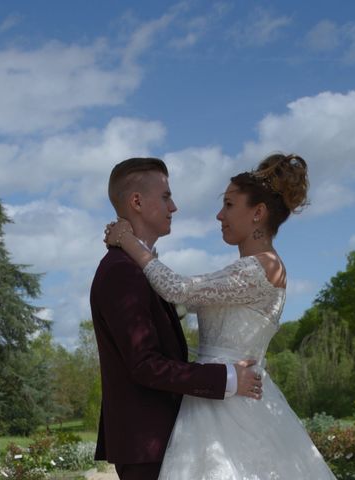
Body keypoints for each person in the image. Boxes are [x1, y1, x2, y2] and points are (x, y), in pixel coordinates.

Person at [104, 153, 336, 479]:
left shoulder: (263, 268)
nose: (218, 215)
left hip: (234, 405)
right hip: (211, 399)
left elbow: (179, 290)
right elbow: (183, 302)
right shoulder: (242, 270)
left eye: (228, 205)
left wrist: (127, 239)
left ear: (258, 213)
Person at [90, 157, 264, 480]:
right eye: (166, 196)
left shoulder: (138, 268)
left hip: (165, 440)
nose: (175, 207)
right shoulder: (120, 273)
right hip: (148, 446)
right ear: (137, 202)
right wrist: (226, 379)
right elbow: (145, 364)